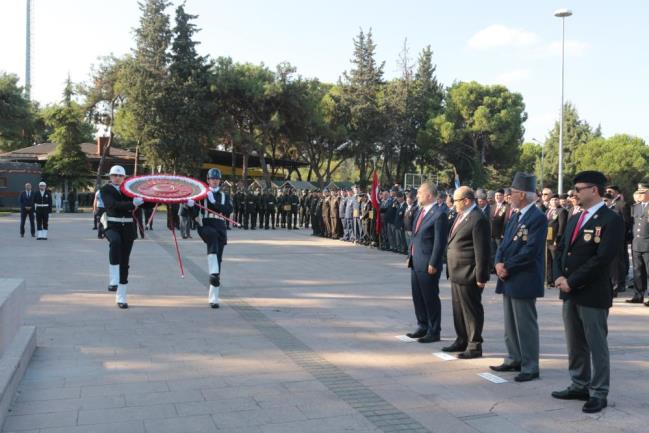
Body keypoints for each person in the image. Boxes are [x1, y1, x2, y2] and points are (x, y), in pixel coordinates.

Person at [551, 170, 624, 413]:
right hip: (569, 290)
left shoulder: (611, 220)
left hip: (592, 292)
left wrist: (572, 280)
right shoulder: (574, 217)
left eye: (579, 189)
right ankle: (579, 383)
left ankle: (599, 391)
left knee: (596, 344)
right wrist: (558, 275)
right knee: (575, 342)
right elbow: (560, 249)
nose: (574, 193)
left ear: (594, 190)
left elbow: (602, 259)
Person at [491, 173, 547, 381]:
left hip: (523, 276)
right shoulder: (515, 215)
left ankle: (530, 365)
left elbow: (530, 250)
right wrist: (497, 262)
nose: (509, 196)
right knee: (510, 323)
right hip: (508, 275)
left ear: (522, 194)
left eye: (512, 192)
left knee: (525, 324)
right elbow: (504, 243)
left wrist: (507, 266)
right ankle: (514, 357)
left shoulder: (538, 218)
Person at [444, 186, 491, 359]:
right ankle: (461, 339)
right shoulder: (461, 215)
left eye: (456, 200)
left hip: (469, 272)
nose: (453, 204)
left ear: (466, 200)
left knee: (471, 310)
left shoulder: (478, 218)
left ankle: (474, 345)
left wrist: (481, 276)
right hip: (456, 271)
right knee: (458, 309)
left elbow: (482, 250)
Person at [405, 182, 449, 343]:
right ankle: (422, 325)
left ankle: (434, 330)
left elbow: (439, 242)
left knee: (430, 297)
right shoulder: (420, 211)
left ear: (429, 195)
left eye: (420, 193)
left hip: (428, 263)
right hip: (416, 261)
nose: (417, 196)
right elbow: (415, 235)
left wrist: (434, 262)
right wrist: (410, 255)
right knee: (418, 296)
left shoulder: (439, 214)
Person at [185, 168, 232, 308]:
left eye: (217, 178)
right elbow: (195, 214)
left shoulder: (225, 196)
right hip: (206, 225)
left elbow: (228, 211)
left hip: (220, 227)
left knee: (218, 259)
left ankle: (214, 298)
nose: (215, 181)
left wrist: (214, 203)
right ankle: (213, 272)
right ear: (208, 180)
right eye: (212, 178)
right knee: (211, 238)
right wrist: (190, 206)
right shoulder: (202, 195)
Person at [100, 165, 144, 309]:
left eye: (120, 176)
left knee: (125, 262)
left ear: (124, 177)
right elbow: (112, 205)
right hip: (112, 225)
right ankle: (113, 279)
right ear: (110, 177)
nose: (117, 178)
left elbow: (146, 204)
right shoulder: (106, 189)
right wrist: (132, 203)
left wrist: (154, 197)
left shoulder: (130, 189)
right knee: (115, 242)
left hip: (128, 228)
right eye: (114, 175)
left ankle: (121, 297)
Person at [605, 185, 631, 295]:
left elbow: (626, 222)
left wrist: (623, 237)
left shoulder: (622, 205)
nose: (609, 193)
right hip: (608, 239)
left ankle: (619, 284)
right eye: (607, 191)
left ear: (616, 192)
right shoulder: (606, 208)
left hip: (620, 238)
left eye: (610, 191)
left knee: (619, 261)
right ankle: (613, 283)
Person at [628, 183, 649, 304]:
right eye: (639, 193)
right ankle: (638, 294)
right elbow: (634, 225)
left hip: (648, 242)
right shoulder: (635, 207)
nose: (640, 195)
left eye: (643, 193)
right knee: (638, 270)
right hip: (637, 243)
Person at [546, 194, 568, 288]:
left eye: (556, 200)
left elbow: (561, 227)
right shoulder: (548, 211)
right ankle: (549, 280)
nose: (554, 202)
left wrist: (557, 239)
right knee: (548, 260)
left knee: (556, 260)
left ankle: (557, 279)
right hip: (547, 238)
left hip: (555, 239)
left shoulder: (561, 211)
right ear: (549, 202)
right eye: (552, 200)